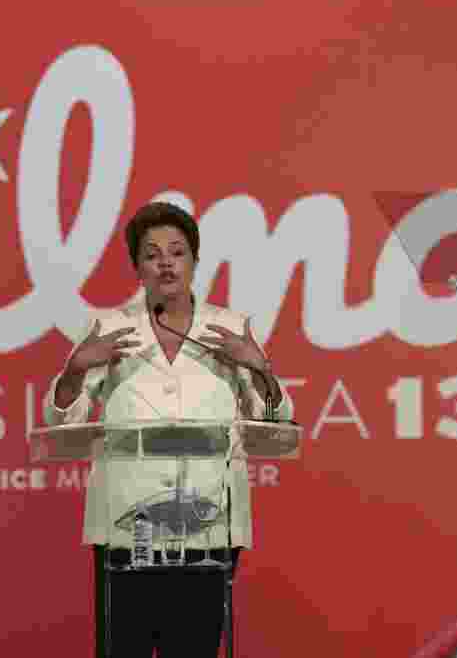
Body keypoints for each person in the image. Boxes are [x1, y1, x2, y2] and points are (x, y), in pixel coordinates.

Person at [42, 200, 293, 657]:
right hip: (126, 521)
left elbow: (272, 420)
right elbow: (63, 420)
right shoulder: (111, 327)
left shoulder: (230, 328)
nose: (165, 262)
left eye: (176, 252)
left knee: (194, 648)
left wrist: (260, 368)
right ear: (138, 267)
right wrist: (74, 372)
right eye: (152, 253)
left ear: (194, 261)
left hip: (208, 519)